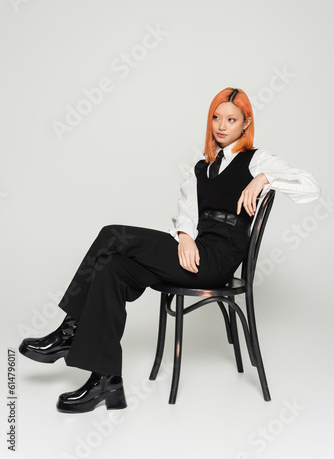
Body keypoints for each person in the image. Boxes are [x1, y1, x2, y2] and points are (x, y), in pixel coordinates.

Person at [18, 87, 321, 414]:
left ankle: (69, 330)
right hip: (196, 251)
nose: (221, 125)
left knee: (112, 236)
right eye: (216, 118)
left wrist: (263, 178)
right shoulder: (201, 167)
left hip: (217, 261)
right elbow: (188, 213)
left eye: (231, 120)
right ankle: (106, 381)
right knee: (111, 267)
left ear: (245, 124)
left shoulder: (257, 160)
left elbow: (311, 187)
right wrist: (185, 236)